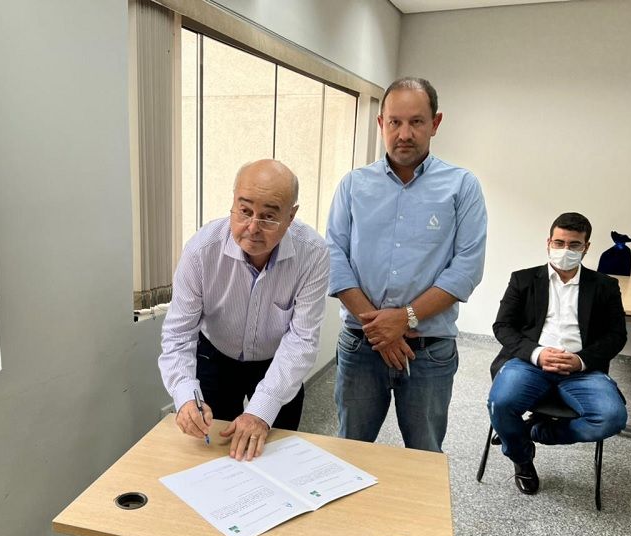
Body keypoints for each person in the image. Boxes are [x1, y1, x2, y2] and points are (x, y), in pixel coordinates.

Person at [325, 76, 487, 452]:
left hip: (428, 351)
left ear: (435, 123)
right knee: (350, 451)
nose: (404, 134)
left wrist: (405, 318)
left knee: (424, 454)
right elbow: (334, 257)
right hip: (362, 347)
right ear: (381, 123)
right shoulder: (353, 185)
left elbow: (466, 268)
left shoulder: (462, 186)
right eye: (395, 122)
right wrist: (381, 330)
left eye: (416, 122)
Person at [158, 159, 330, 461]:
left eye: (269, 217)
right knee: (213, 450)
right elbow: (178, 334)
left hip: (278, 361)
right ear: (233, 203)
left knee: (276, 455)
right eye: (245, 211)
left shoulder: (312, 254)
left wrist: (261, 412)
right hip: (216, 356)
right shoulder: (201, 251)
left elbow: (302, 340)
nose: (252, 227)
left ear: (291, 217)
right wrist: (184, 396)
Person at [488, 212, 628, 495]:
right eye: (559, 242)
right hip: (530, 363)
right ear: (548, 242)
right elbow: (502, 326)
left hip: (582, 369)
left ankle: (537, 431)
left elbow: (616, 335)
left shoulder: (605, 286)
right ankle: (522, 458)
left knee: (612, 418)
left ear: (586, 247)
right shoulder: (523, 279)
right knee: (500, 403)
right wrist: (537, 354)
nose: (565, 250)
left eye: (574, 244)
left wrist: (581, 360)